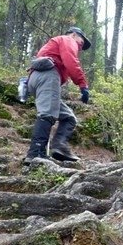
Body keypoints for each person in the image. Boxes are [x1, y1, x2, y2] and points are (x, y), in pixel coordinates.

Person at [23, 26, 91, 163]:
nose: (80, 47)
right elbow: (71, 60)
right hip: (48, 75)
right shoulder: (67, 40)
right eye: (81, 42)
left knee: (69, 117)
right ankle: (35, 153)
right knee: (47, 114)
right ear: (73, 35)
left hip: (35, 78)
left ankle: (59, 148)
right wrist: (82, 85)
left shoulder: (55, 43)